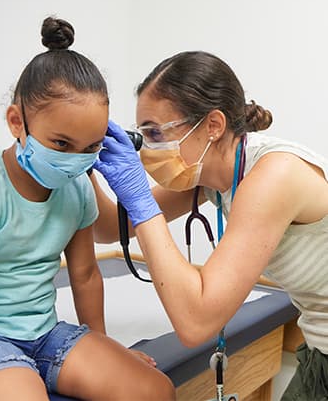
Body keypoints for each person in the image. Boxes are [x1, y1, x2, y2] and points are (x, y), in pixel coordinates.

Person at [0, 17, 175, 401]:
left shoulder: (75, 189)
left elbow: (86, 275)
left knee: (155, 391)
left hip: (47, 336)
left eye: (91, 147)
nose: (76, 160)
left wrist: (103, 347)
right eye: (61, 143)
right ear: (16, 122)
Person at [91, 50, 328, 400]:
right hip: (319, 346)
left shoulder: (273, 176)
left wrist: (141, 200)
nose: (147, 150)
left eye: (156, 133)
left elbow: (195, 323)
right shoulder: (214, 174)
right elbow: (111, 228)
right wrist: (81, 159)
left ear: (213, 126)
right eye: (142, 135)